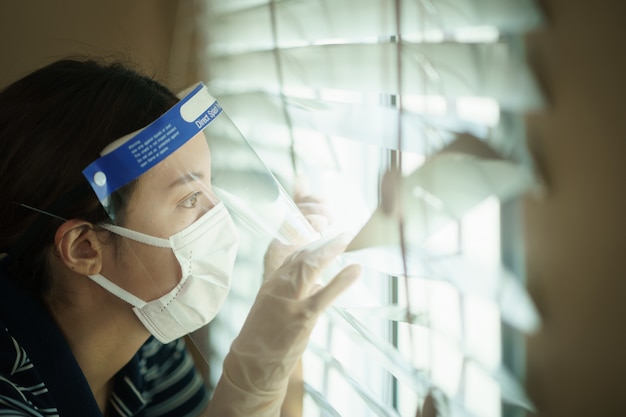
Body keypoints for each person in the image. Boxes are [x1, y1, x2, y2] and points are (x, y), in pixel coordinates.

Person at [0, 58, 360, 417]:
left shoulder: (147, 351)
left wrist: (283, 341)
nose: (220, 215)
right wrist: (251, 384)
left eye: (210, 185)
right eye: (190, 199)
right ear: (84, 247)